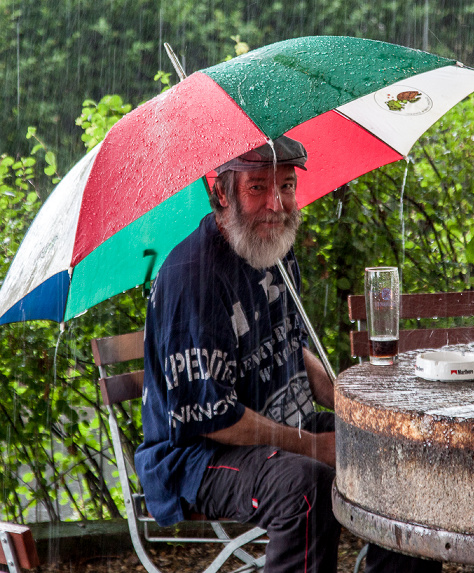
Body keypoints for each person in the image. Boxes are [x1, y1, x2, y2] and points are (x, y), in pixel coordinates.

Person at [134, 135, 442, 572]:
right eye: (257, 187)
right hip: (197, 457)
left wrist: (361, 414)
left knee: (396, 448)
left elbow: (293, 350)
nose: (276, 204)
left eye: (286, 186)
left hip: (280, 423)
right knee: (307, 485)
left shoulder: (272, 247)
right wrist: (315, 446)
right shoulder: (192, 279)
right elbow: (213, 418)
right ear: (220, 191)